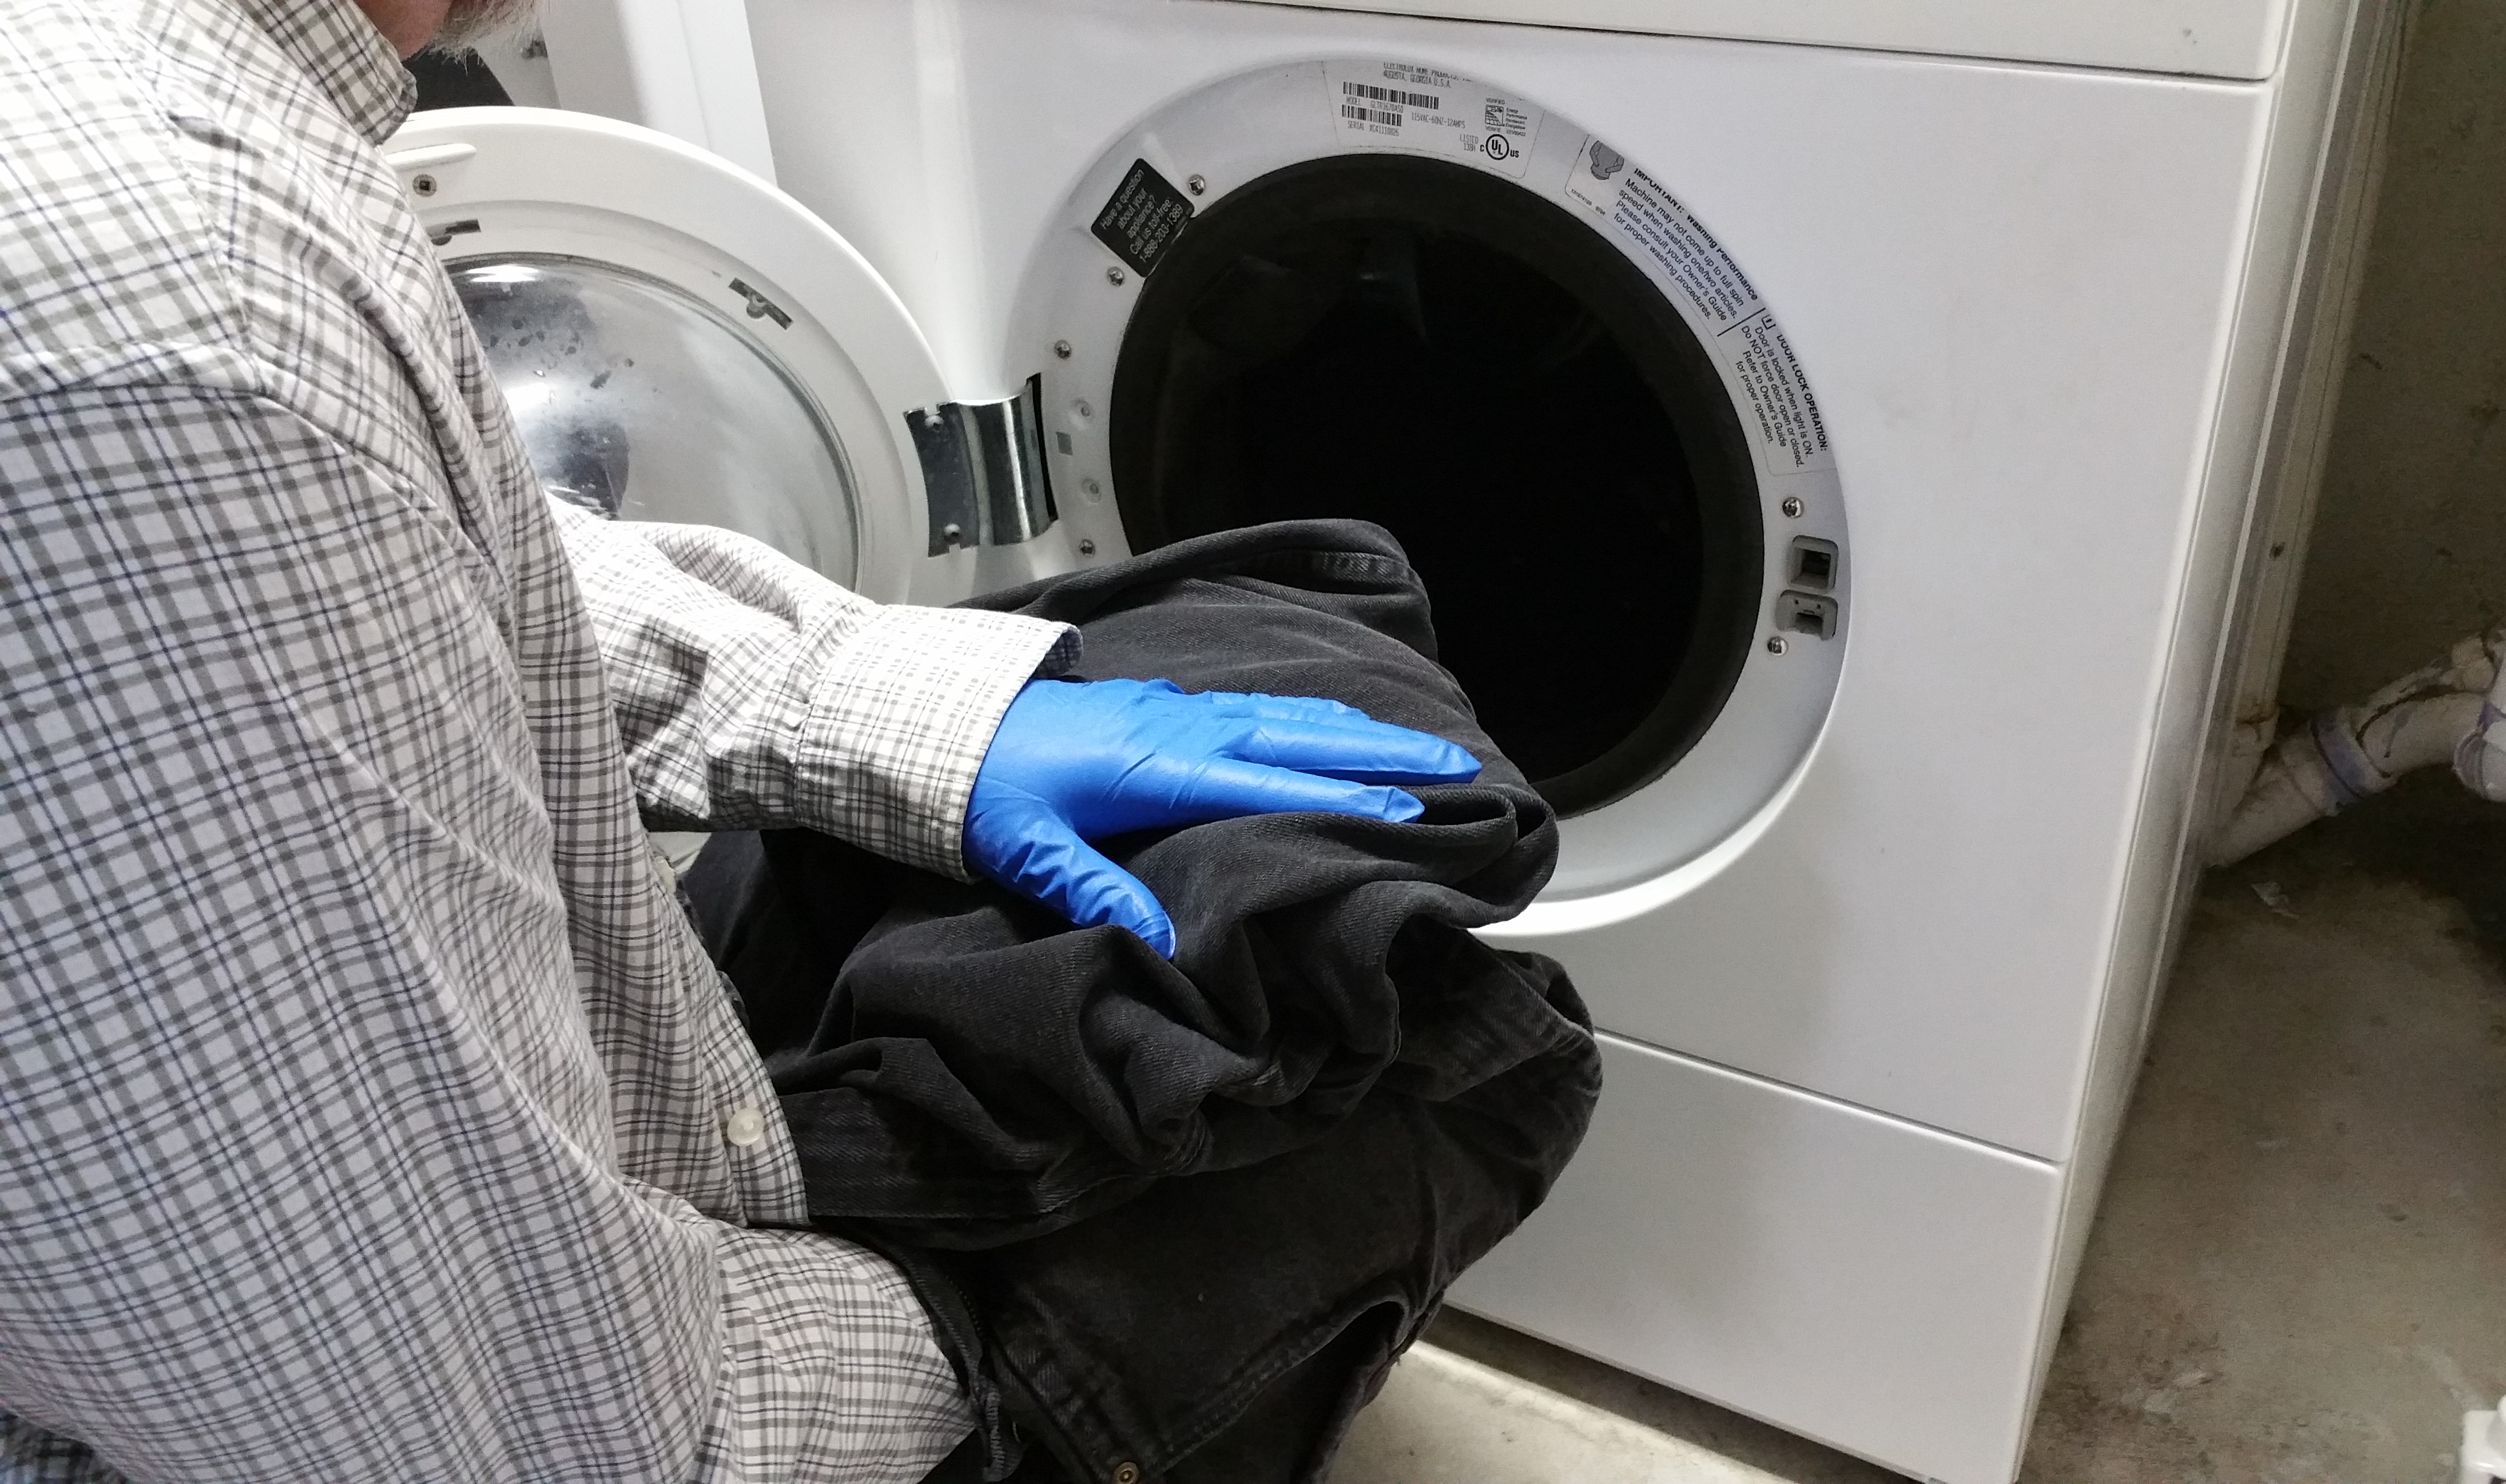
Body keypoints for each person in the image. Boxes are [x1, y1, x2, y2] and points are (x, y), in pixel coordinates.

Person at [0, 0, 1480, 1479]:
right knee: (1449, 1084)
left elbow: (413, 563)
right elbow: (504, 1449)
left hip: (404, 1309)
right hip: (538, 1411)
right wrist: (986, 1312)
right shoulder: (173, 305)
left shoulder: (146, 118)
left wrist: (916, 711)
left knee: (1291, 669)